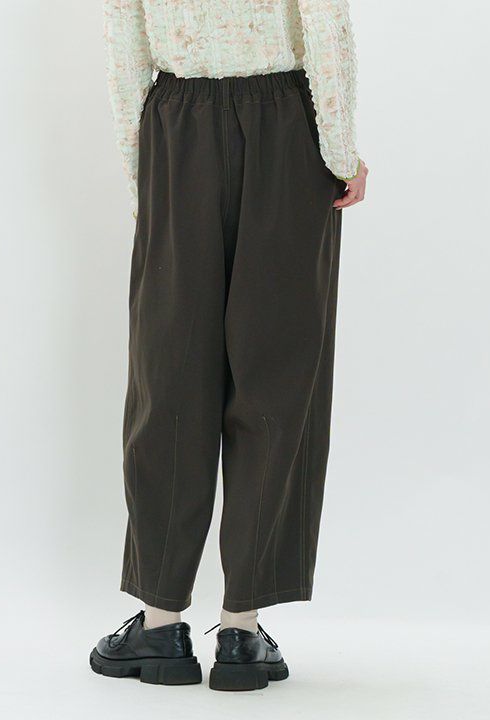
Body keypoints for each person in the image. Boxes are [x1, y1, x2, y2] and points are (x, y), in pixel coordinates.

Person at [90, 0, 368, 692]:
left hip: (176, 125)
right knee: (277, 373)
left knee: (169, 373)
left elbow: (125, 38)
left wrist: (143, 173)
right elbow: (325, 25)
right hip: (287, 127)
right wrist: (340, 153)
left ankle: (159, 624)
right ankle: (241, 629)